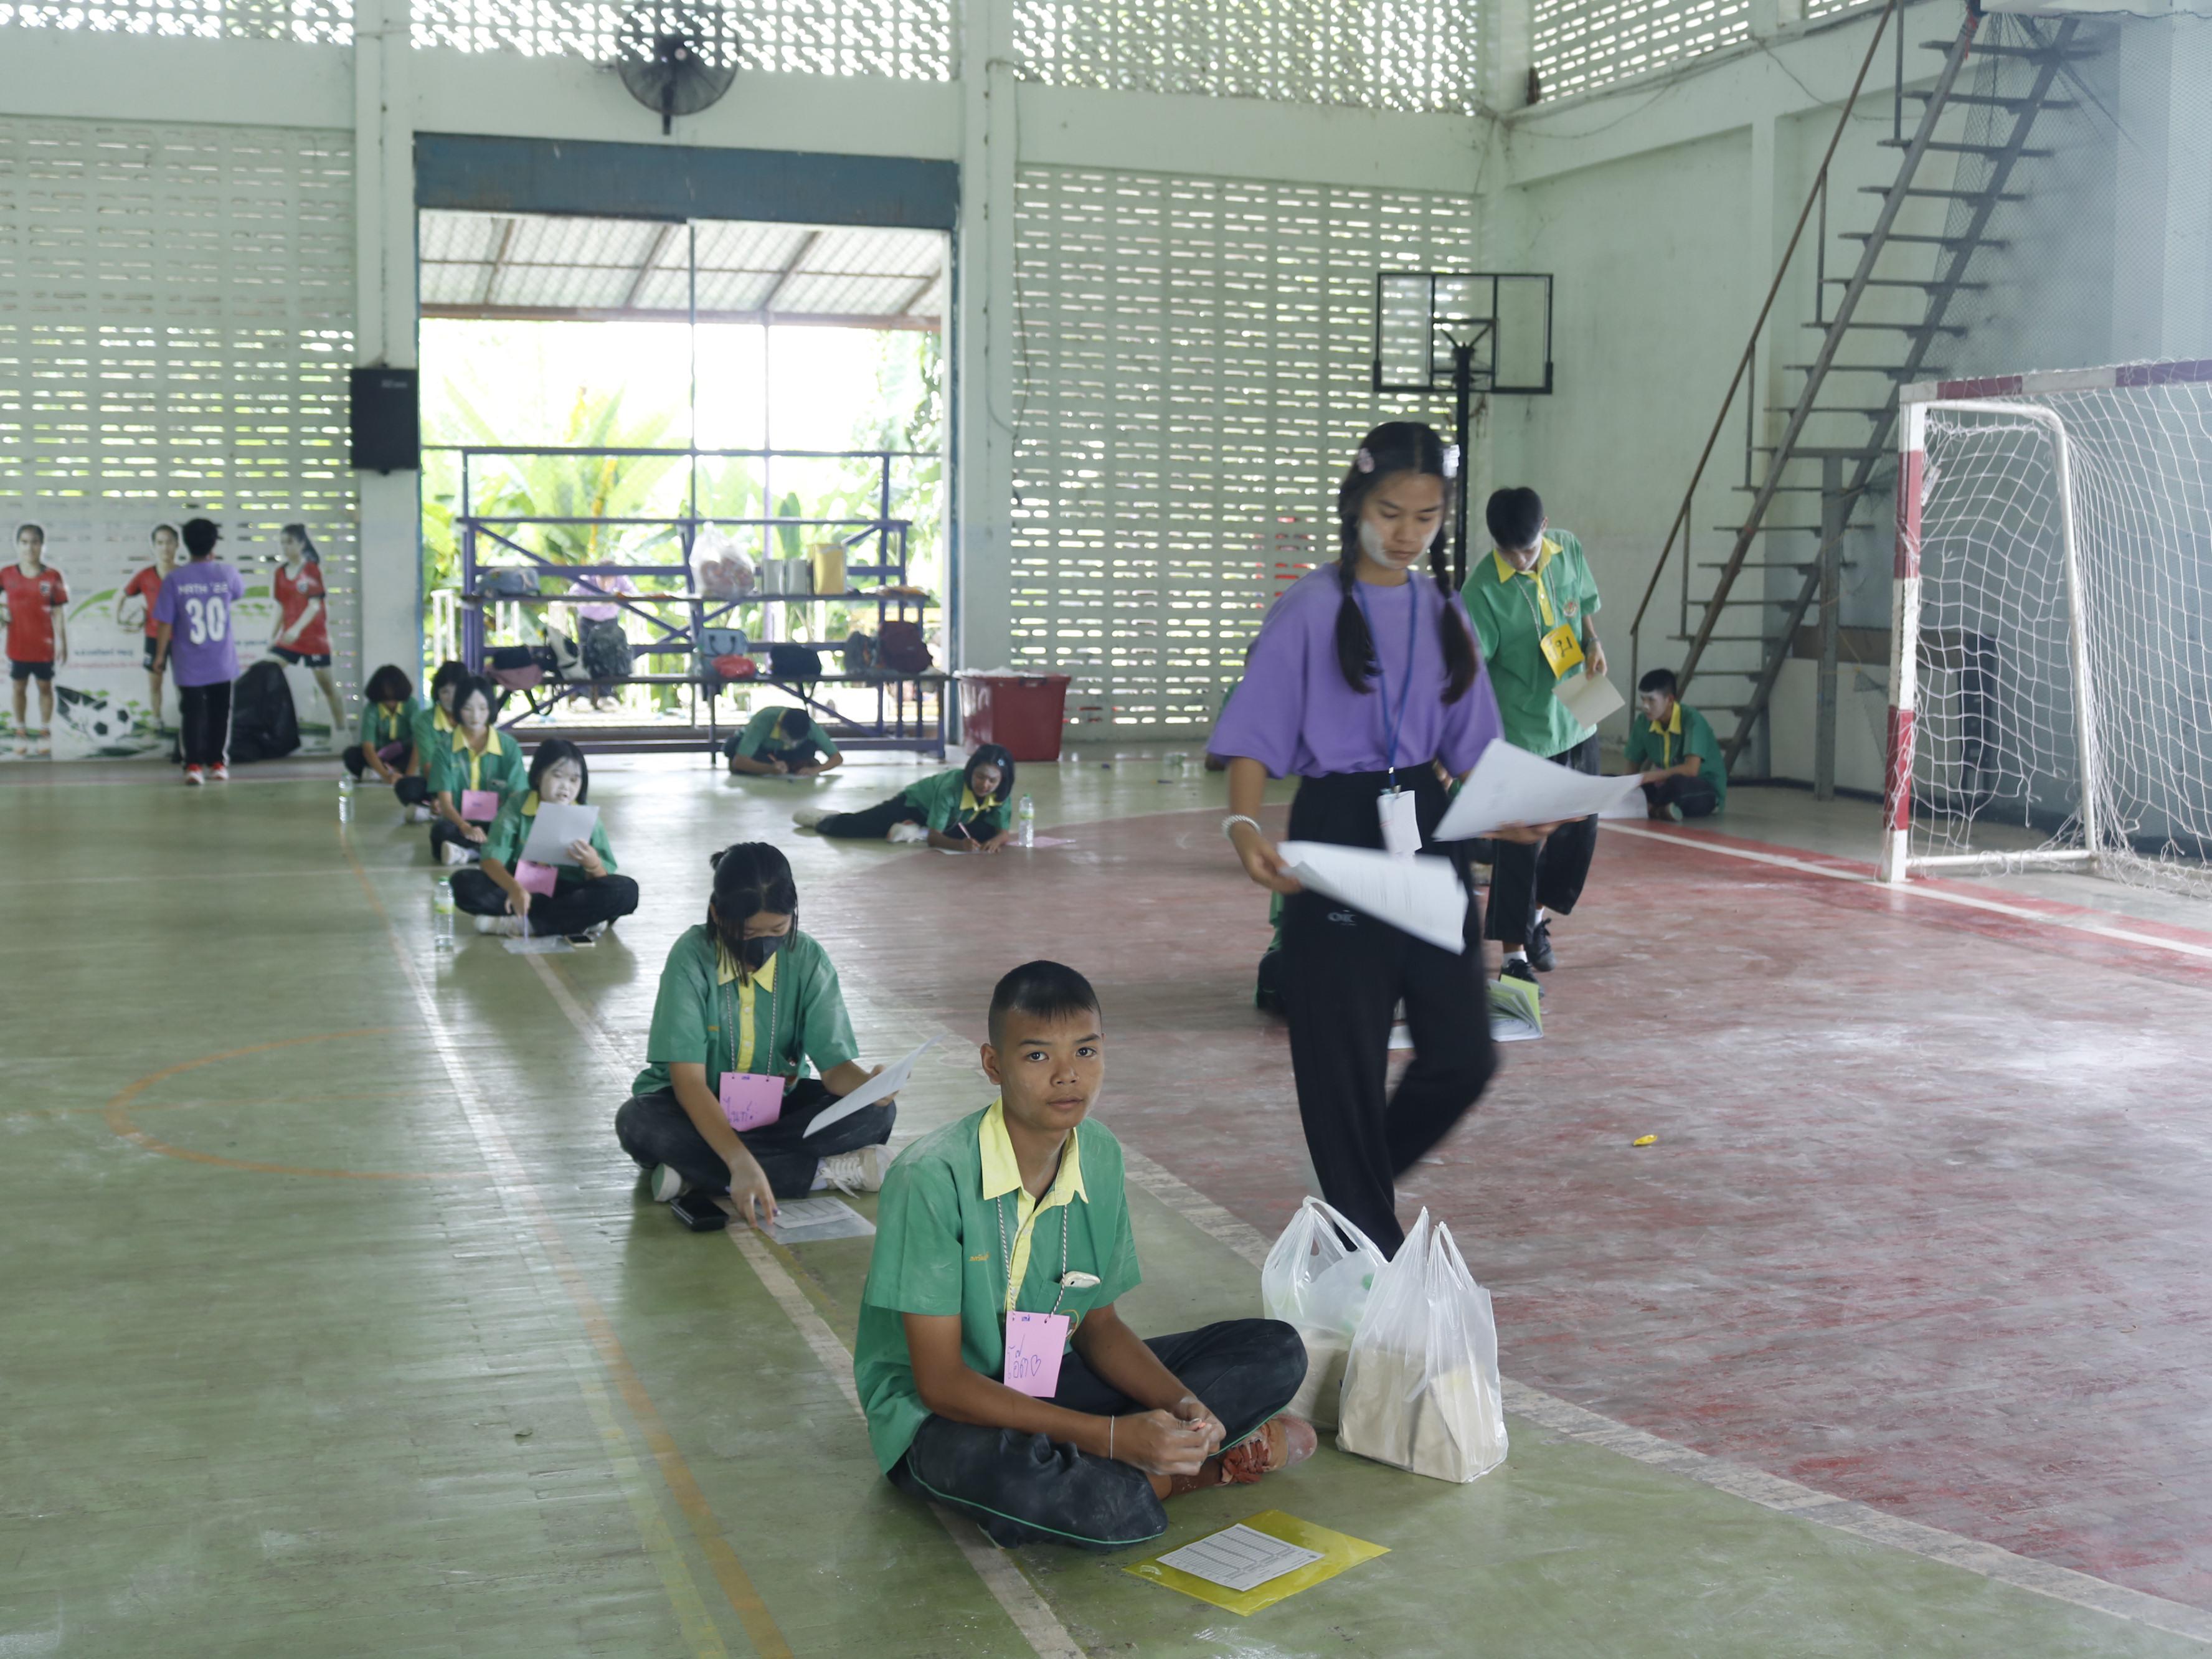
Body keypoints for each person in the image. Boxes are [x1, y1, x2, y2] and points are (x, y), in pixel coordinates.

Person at [854, 960, 1314, 1551]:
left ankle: (1161, 1455)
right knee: (1107, 1509)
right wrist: (1113, 1437)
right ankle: (1185, 1471)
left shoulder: (1098, 1155)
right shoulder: (932, 1178)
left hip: (1043, 1379)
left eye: (1087, 1053)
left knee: (1275, 1349)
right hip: (943, 1415)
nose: (1068, 1076)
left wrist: (1184, 1407)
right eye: (1038, 1057)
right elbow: (942, 1383)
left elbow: (1099, 1327)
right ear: (993, 1064)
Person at [1211, 422, 1534, 1257]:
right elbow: (1256, 731)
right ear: (1357, 504)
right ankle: (1366, 1242)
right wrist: (1246, 825)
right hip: (1339, 828)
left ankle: (1353, 1206)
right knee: (1343, 1062)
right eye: (1391, 511)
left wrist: (1516, 806)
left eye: (1426, 517)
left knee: (1464, 1055)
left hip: (1427, 828)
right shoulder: (1312, 609)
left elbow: (1475, 752)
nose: (1407, 532)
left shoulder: (1444, 614)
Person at [614, 842, 899, 1220]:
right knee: (639, 1122)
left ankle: (699, 1173)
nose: (765, 944)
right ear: (717, 915)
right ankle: (814, 1174)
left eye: (778, 929)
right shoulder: (691, 956)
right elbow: (689, 1083)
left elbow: (834, 1070)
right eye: (749, 933)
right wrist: (738, 1158)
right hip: (694, 1105)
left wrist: (869, 1087)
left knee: (877, 1115)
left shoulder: (807, 958)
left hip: (776, 1107)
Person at [1459, 486, 1606, 987]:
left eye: (1528, 549)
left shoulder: (1567, 547)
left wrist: (1593, 641)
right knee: (1520, 845)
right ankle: (1513, 954)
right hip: (1524, 725)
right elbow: (1468, 672)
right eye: (1509, 553)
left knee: (1579, 831)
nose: (1521, 561)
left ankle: (1536, 919)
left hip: (1581, 703)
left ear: (1546, 526)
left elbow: (1583, 602)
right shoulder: (1481, 591)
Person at [453, 739, 640, 941]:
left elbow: (604, 879)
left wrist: (593, 865)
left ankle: (530, 924)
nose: (565, 787)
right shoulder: (517, 806)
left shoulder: (587, 817)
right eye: (557, 776)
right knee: (464, 883)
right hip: (522, 890)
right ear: (539, 775)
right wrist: (515, 889)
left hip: (571, 894)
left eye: (574, 780)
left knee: (626, 890)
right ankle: (578, 920)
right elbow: (491, 860)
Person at [152, 519, 246, 785]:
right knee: (220, 712)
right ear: (213, 544)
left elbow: (165, 622)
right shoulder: (227, 573)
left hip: (187, 662)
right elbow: (238, 593)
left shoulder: (175, 579)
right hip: (221, 660)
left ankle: (193, 766)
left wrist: (160, 656)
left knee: (192, 714)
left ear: (184, 544)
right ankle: (218, 763)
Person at [797, 745, 1016, 851]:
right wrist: (961, 847)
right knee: (854, 827)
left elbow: (1003, 832)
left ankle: (913, 831)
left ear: (1001, 781)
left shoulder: (1000, 794)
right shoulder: (952, 788)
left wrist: (996, 842)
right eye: (979, 777)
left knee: (987, 832)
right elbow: (934, 838)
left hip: (955, 819)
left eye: (992, 781)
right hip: (913, 807)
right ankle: (823, 818)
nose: (984, 785)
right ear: (970, 772)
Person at [425, 674, 526, 864]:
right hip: (461, 822)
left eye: (482, 708)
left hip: (499, 821)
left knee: (522, 830)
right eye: (467, 708)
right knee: (441, 832)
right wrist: (466, 827)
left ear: (491, 708)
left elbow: (517, 796)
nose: (475, 716)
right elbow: (446, 804)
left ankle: (470, 853)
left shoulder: (509, 746)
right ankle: (489, 852)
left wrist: (498, 829)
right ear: (458, 709)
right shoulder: (444, 748)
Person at [266, 525, 347, 746]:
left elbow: (314, 606)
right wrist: (272, 635)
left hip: (314, 639)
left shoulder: (310, 570)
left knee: (327, 687)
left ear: (302, 543)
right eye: (283, 542)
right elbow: (280, 606)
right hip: (289, 641)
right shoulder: (280, 573)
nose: (286, 547)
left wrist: (296, 629)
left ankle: (342, 731)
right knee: (267, 673)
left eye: (290, 542)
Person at [1624, 666, 1727, 821]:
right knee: (1614, 781)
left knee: (1677, 786)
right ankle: (1659, 810)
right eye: (1643, 699)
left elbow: (1692, 770)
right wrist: (1627, 785)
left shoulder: (1692, 720)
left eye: (1651, 700)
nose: (1645, 706)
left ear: (1670, 700)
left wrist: (1651, 776)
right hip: (1663, 784)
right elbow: (1631, 769)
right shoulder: (1643, 723)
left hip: (1701, 788)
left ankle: (1651, 807)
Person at [2, 523, 69, 756]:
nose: (29, 547)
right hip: (17, 646)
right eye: (24, 542)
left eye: (34, 542)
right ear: (18, 545)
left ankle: (44, 732)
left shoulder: (52, 576)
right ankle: (20, 731)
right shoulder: (6, 574)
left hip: (44, 647)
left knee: (45, 688)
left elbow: (59, 613)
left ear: (42, 545)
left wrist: (63, 642)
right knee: (18, 687)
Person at [118, 524, 179, 733]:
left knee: (185, 686)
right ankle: (156, 719)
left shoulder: (185, 575)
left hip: (181, 640)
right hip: (154, 639)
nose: (165, 548)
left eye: (169, 542)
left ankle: (187, 721)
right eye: (160, 543)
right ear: (153, 546)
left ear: (177, 545)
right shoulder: (144, 576)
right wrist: (119, 620)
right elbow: (121, 597)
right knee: (155, 684)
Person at [398, 661, 464, 821]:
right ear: (437, 694)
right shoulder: (425, 720)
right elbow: (428, 766)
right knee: (406, 787)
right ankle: (439, 806)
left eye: (456, 691)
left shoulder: (473, 715)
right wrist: (440, 795)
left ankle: (435, 810)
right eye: (445, 692)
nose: (451, 698)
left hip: (470, 782)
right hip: (437, 781)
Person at [343, 664, 423, 787]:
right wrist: (385, 776)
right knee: (351, 755)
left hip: (403, 754)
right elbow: (368, 747)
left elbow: (419, 742)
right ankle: (386, 772)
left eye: (394, 697)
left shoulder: (411, 705)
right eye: (386, 698)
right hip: (379, 755)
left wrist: (409, 777)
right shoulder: (372, 709)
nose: (391, 702)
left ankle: (391, 772)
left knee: (420, 751)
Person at [572, 570, 637, 710]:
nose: (606, 583)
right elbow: (573, 595)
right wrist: (592, 601)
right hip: (587, 621)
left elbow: (633, 593)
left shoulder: (621, 579)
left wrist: (618, 597)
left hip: (609, 622)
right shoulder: (586, 579)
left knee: (610, 658)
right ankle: (582, 696)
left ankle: (606, 695)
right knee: (584, 656)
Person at [726, 705, 843, 778]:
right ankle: (789, 765)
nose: (792, 743)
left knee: (808, 747)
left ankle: (796, 764)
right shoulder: (763, 721)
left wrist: (815, 770)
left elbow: (837, 758)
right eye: (789, 738)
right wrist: (770, 769)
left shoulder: (811, 727)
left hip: (788, 754)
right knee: (732, 748)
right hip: (763, 750)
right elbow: (739, 761)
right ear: (779, 726)